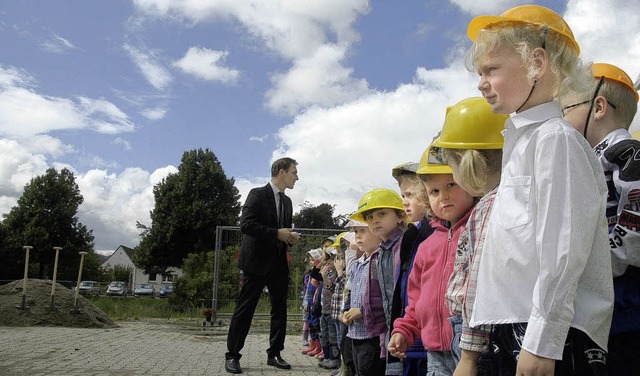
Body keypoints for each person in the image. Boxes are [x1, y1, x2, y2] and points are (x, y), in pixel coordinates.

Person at [466, 5, 614, 375]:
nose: (481, 82)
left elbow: (564, 249)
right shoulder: (525, 143)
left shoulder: (556, 140)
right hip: (518, 326)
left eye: (491, 70)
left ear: (537, 62)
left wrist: (542, 341)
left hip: (548, 335)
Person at [561, 62, 640, 376]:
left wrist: (600, 260)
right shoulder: (587, 159)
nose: (562, 120)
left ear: (598, 106)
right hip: (601, 304)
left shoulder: (625, 152)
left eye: (566, 109)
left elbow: (635, 218)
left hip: (626, 301)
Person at [431, 97, 507, 375]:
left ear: (463, 161)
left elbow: (481, 284)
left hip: (477, 335)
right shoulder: (505, 199)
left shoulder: (487, 207)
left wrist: (469, 357)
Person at [388, 140, 476, 376]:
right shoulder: (426, 246)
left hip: (472, 348)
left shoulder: (478, 232)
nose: (443, 196)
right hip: (434, 350)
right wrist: (404, 330)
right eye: (435, 191)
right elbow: (416, 298)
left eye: (451, 184)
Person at [225, 157, 300, 374]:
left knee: (280, 310)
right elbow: (246, 225)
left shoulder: (287, 202)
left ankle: (275, 353)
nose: (297, 177)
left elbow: (283, 231)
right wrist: (276, 233)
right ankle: (232, 356)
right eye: (294, 172)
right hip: (255, 263)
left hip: (278, 263)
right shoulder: (257, 194)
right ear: (282, 172)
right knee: (245, 310)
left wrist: (289, 237)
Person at [350, 188, 408, 375]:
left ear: (400, 216)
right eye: (369, 217)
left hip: (404, 329)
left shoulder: (404, 246)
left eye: (382, 214)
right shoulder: (382, 251)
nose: (374, 220)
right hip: (386, 331)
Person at [390, 161, 435, 376]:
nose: (405, 203)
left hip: (427, 340)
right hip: (411, 332)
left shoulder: (431, 235)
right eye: (402, 196)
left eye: (410, 195)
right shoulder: (413, 234)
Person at [342, 219, 387, 376]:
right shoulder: (357, 265)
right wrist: (345, 311)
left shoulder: (381, 261)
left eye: (362, 231)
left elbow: (385, 295)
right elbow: (349, 291)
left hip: (372, 335)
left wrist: (361, 310)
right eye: (356, 232)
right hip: (354, 333)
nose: (358, 236)